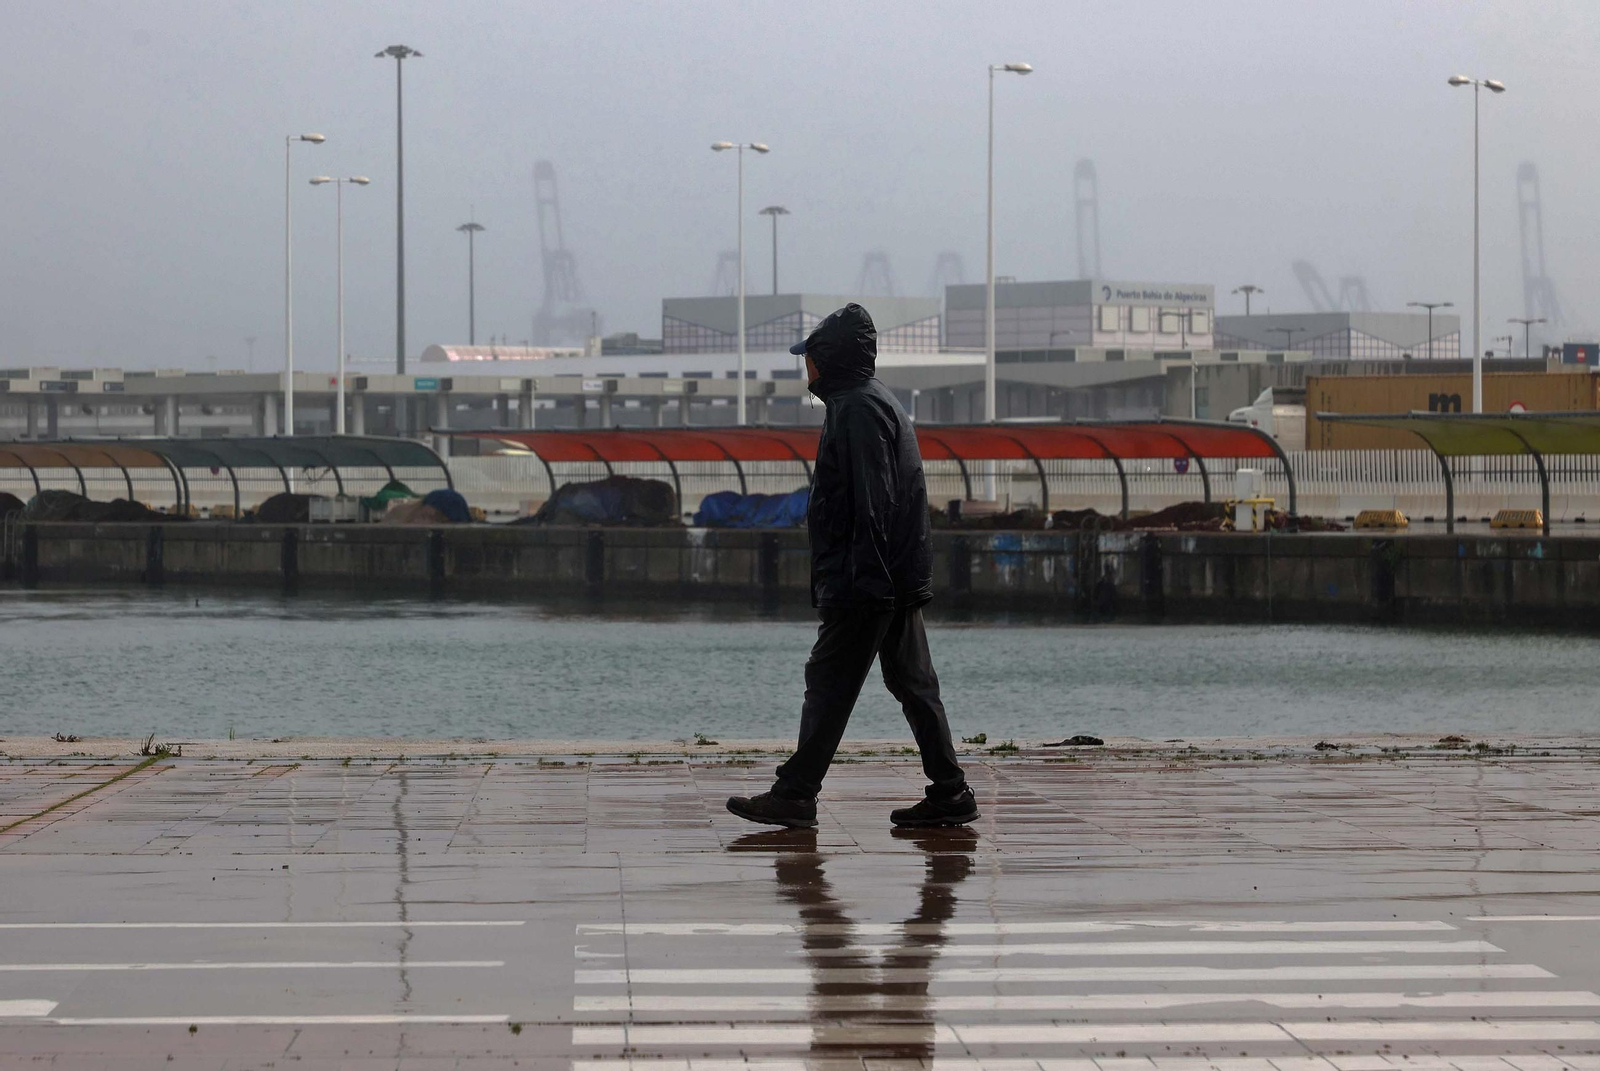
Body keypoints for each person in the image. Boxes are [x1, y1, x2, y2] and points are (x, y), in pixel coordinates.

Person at [727, 303, 977, 830]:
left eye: (811, 357)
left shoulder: (856, 409)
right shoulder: (872, 401)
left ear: (830, 360)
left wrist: (863, 582)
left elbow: (873, 501)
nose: (806, 367)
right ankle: (950, 791)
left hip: (869, 581)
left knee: (829, 682)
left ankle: (795, 794)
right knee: (914, 684)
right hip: (894, 577)